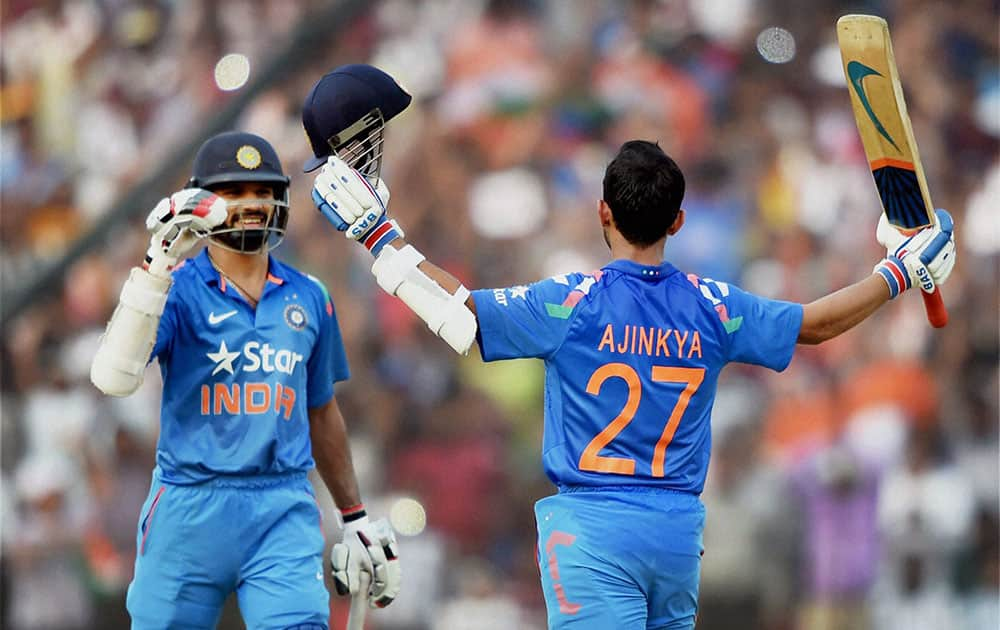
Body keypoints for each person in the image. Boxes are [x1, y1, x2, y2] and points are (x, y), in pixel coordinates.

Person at [302, 67, 956, 629]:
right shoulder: (713, 307)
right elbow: (814, 324)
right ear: (677, 220)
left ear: (603, 212)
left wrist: (380, 237)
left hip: (590, 529)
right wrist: (898, 272)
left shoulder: (571, 301)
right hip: (676, 531)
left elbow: (462, 318)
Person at [89, 130, 401, 629]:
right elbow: (112, 378)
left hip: (280, 507)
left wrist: (355, 516)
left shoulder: (310, 295)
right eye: (234, 192)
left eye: (262, 191)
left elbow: (320, 410)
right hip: (189, 504)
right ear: (200, 201)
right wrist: (157, 264)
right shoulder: (174, 288)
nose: (252, 203)